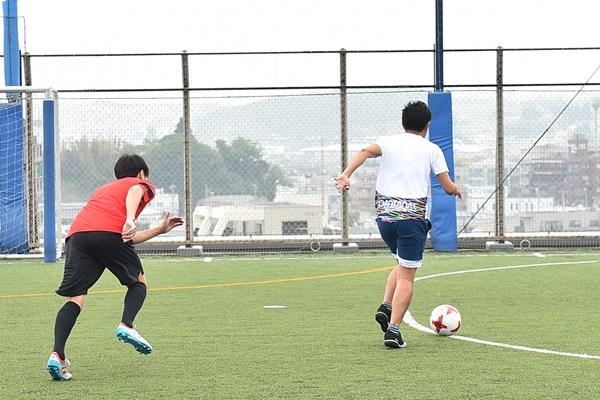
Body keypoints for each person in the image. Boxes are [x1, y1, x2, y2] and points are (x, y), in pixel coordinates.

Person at [334, 101, 461, 349]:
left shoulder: (388, 142)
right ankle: (393, 331)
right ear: (427, 125)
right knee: (407, 277)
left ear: (403, 123)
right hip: (411, 221)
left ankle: (386, 305)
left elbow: (365, 151)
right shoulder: (432, 149)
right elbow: (446, 186)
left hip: (385, 220)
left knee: (401, 265)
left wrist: (346, 174)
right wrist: (455, 189)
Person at [47, 154, 184, 380]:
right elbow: (135, 192)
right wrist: (130, 218)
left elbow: (127, 237)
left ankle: (57, 355)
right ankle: (127, 324)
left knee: (75, 298)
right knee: (138, 281)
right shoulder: (140, 184)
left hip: (78, 236)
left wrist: (160, 229)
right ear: (141, 174)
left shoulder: (102, 191)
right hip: (108, 233)